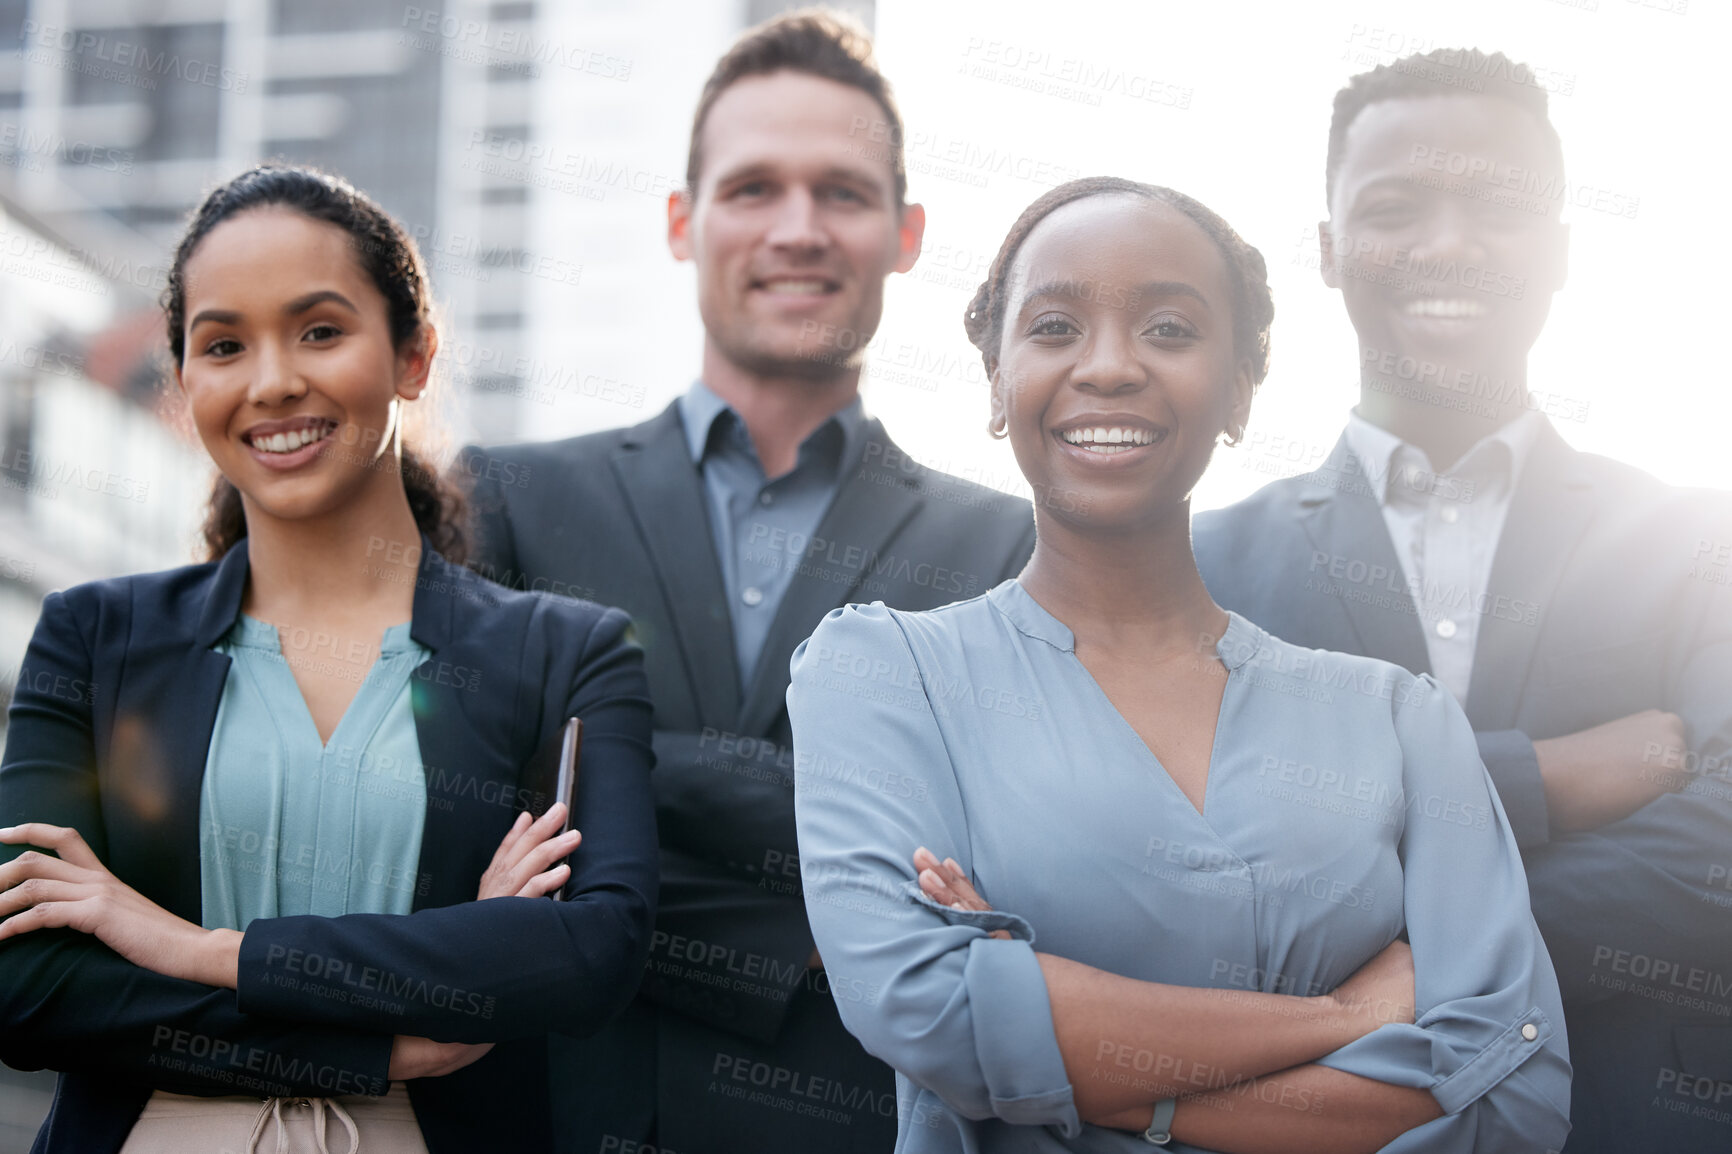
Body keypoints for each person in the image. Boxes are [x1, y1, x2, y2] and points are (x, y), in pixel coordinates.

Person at [788, 176, 1572, 1153]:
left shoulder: (1397, 720)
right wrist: (1339, 1015)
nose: (1109, 367)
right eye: (1055, 326)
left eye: (1167, 328)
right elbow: (923, 1009)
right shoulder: (882, 672)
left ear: (1239, 390)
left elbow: (1510, 1091)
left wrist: (1055, 1052)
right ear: (995, 379)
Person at [462, 11, 1035, 1153]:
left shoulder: (1006, 552)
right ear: (683, 222)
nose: (797, 229)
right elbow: (463, 831)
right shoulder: (507, 499)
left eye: (842, 192)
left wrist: (620, 768)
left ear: (906, 231)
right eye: (753, 187)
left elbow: (1000, 875)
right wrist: (823, 915)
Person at [0, 165, 658, 1153]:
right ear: (185, 380)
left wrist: (191, 946)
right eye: (224, 344)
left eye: (318, 329)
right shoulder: (94, 640)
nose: (271, 380)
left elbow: (583, 952)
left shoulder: (566, 653)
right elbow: (32, 985)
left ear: (413, 355)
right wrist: (376, 1046)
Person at [1192, 48, 1732, 1152]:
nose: (1448, 243)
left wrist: (1397, 941)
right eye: (1396, 208)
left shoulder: (1695, 538)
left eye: (1498, 207)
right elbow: (1189, 869)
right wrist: (1551, 776)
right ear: (1332, 252)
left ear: (1559, 250)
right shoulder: (1204, 563)